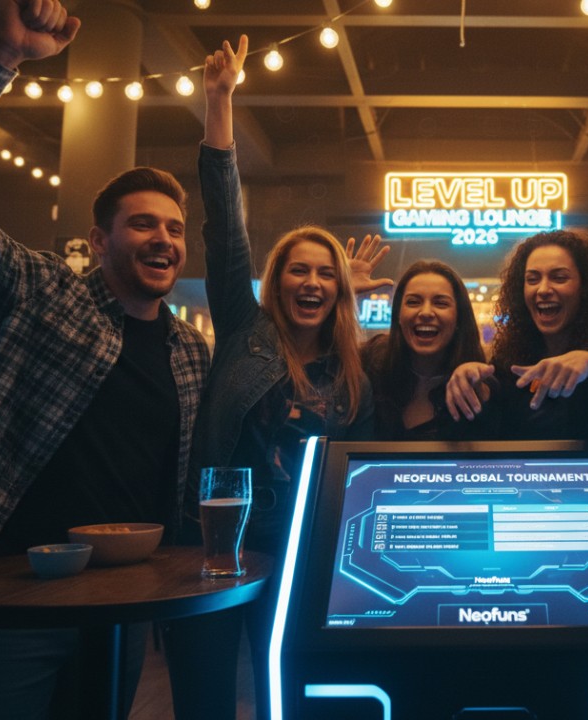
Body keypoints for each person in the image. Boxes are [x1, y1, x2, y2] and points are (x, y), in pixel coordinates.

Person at [0, 1, 210, 716]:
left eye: (175, 229)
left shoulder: (187, 351)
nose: (163, 239)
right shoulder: (42, 293)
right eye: (143, 223)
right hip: (13, 588)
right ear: (101, 237)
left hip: (127, 601)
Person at [159, 35, 373, 719]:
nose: (310, 282)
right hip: (217, 552)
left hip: (309, 554)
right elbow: (225, 227)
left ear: (339, 291)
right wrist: (219, 101)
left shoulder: (353, 370)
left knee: (299, 694)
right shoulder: (247, 333)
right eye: (297, 269)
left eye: (324, 274)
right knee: (205, 695)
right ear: (276, 279)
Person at [446, 229, 588, 439]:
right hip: (528, 474)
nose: (543, 289)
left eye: (558, 277)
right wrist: (474, 386)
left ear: (585, 287)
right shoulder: (512, 351)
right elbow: (492, 425)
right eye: (532, 279)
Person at [361, 259, 499, 440]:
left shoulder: (480, 386)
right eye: (413, 302)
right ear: (398, 316)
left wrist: (479, 389)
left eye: (440, 303)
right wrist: (342, 295)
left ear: (459, 318)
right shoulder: (371, 361)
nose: (426, 312)